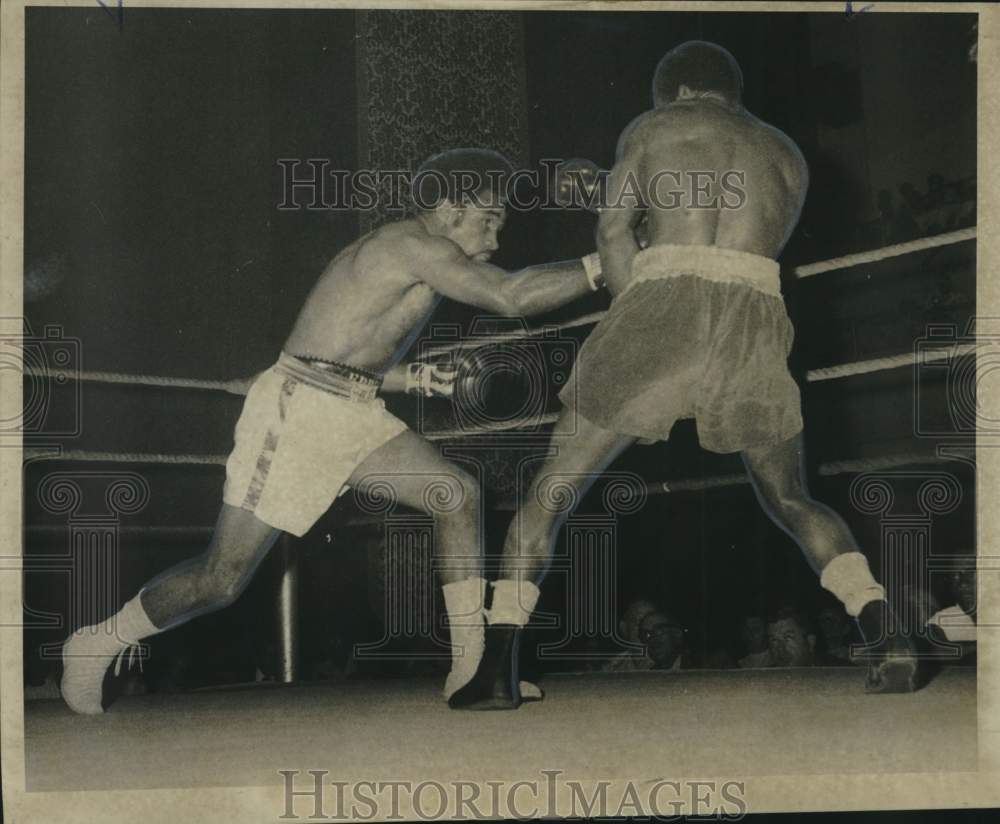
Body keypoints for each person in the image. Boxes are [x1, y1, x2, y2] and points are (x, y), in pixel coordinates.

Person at [449, 42, 918, 710]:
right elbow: (744, 250)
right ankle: (884, 630)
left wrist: (629, 313)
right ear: (731, 91)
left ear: (675, 93)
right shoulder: (787, 154)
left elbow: (614, 235)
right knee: (791, 499)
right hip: (755, 313)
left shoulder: (654, 128)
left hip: (664, 301)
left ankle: (498, 666)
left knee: (551, 490)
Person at [60, 148, 608, 715]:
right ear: (448, 209)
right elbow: (509, 295)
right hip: (301, 414)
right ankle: (98, 642)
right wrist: (606, 264)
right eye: (489, 218)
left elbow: (346, 349)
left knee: (458, 495)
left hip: (352, 407)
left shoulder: (423, 254)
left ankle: (472, 669)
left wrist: (412, 376)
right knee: (220, 579)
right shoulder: (411, 245)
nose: (497, 235)